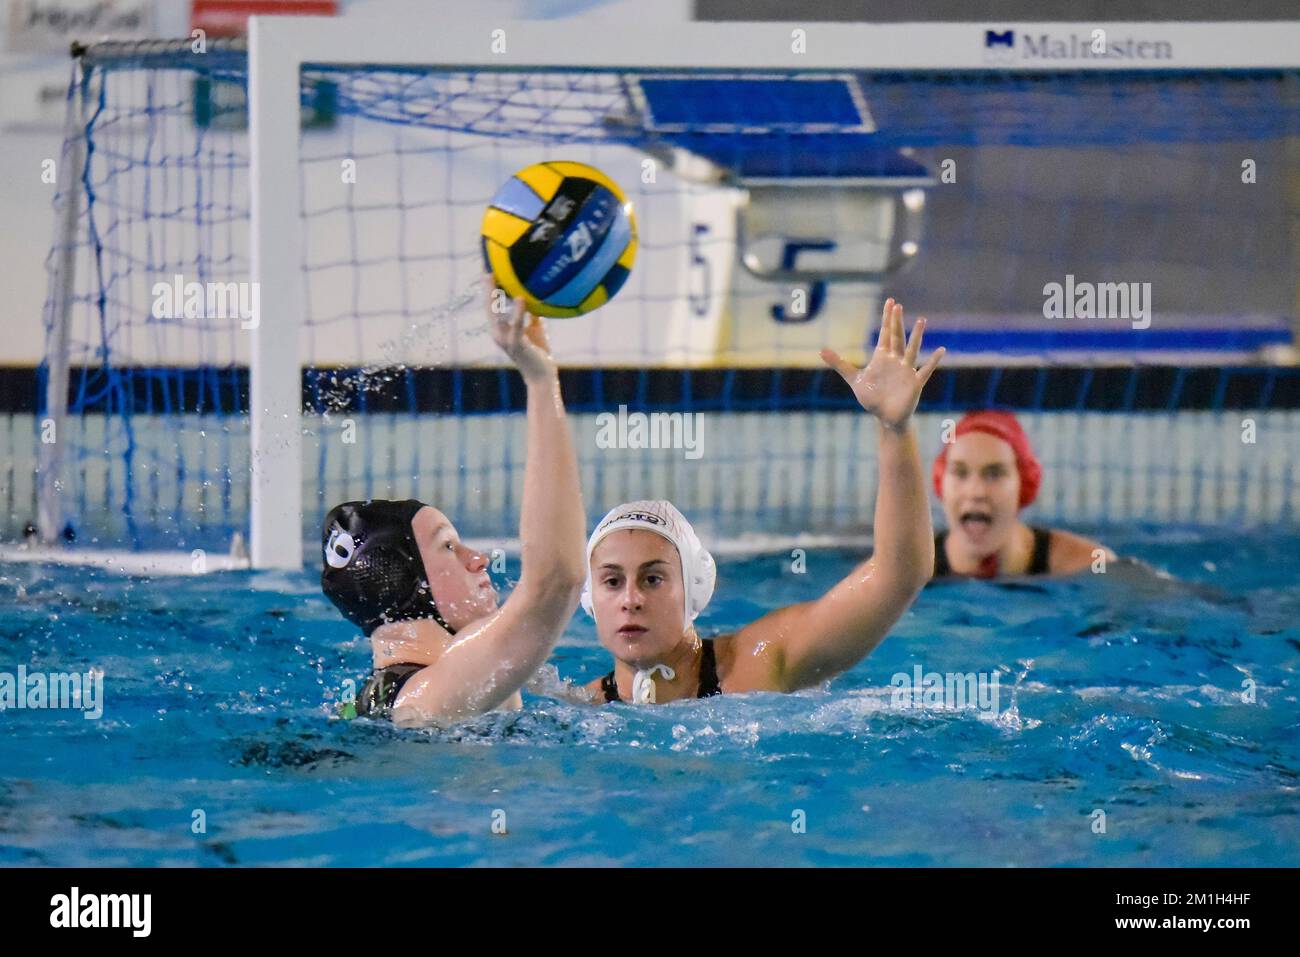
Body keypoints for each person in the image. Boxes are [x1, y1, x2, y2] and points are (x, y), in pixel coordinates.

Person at [580, 298, 944, 704]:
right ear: (589, 599)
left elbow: (899, 575)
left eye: (653, 579)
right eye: (612, 582)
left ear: (695, 587)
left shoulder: (761, 662)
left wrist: (894, 429)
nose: (631, 600)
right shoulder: (582, 707)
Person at [320, 278, 586, 727]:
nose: (479, 559)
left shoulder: (387, 697)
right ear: (404, 581)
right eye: (447, 547)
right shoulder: (431, 696)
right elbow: (555, 580)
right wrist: (541, 381)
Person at [930, 409, 1114, 579]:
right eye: (960, 473)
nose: (976, 492)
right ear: (941, 482)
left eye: (995, 474)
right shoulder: (908, 568)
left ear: (1024, 484)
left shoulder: (1087, 566)